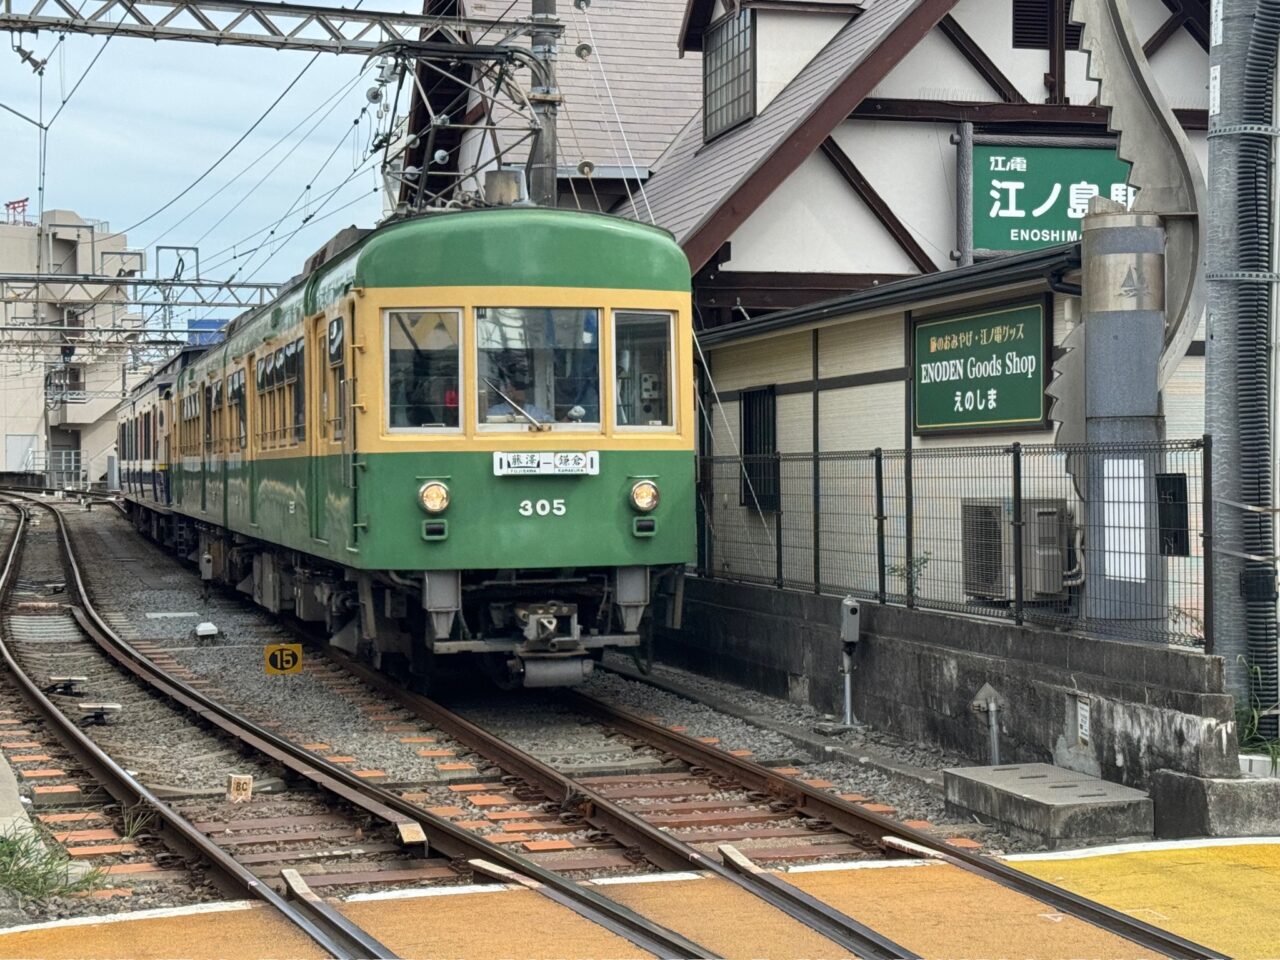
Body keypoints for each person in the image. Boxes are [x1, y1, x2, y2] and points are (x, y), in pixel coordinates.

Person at [486, 380, 552, 423]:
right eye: (518, 388)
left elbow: (553, 424)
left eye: (523, 388)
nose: (521, 392)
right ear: (508, 392)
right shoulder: (495, 411)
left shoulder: (534, 410)